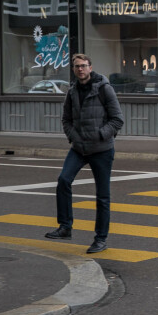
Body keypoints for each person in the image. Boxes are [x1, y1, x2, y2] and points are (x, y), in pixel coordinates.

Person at [45, 53, 124, 254]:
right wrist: (74, 137)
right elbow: (66, 120)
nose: (80, 69)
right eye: (77, 66)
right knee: (63, 180)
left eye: (83, 65)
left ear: (90, 67)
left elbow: (117, 120)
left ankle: (100, 239)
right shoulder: (72, 92)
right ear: (73, 69)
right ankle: (65, 227)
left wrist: (100, 135)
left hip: (102, 149)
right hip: (79, 148)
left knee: (102, 197)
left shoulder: (105, 89)